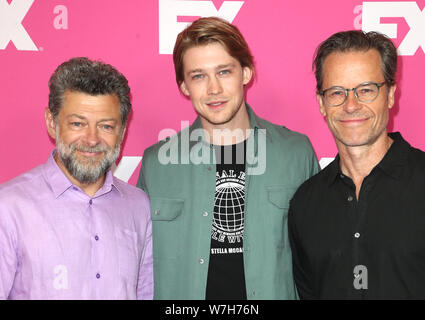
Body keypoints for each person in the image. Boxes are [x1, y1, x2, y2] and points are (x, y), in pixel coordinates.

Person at [137, 17, 318, 300]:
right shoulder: (156, 163)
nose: (213, 89)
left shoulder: (295, 153)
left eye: (224, 72)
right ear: (184, 86)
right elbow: (140, 266)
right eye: (198, 76)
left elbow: (318, 258)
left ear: (246, 73)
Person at [0, 57, 153, 299]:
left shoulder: (139, 206)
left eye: (106, 126)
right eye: (78, 124)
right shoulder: (8, 207)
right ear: (52, 123)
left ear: (122, 132)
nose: (92, 139)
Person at [288, 30, 425, 299]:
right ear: (322, 103)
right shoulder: (305, 203)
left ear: (390, 95)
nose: (351, 105)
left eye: (365, 90)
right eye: (337, 92)